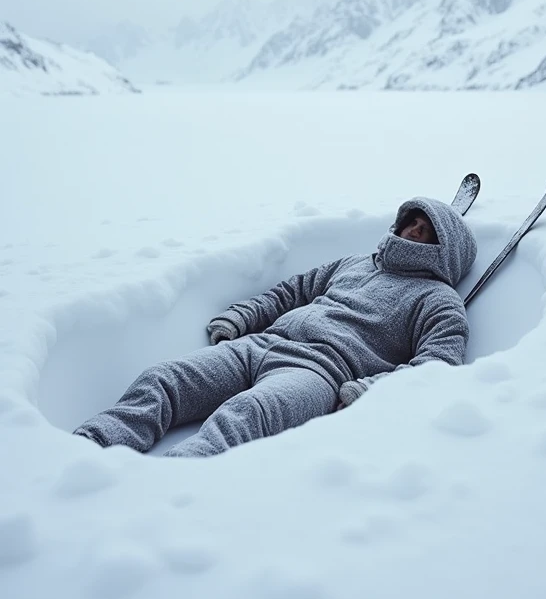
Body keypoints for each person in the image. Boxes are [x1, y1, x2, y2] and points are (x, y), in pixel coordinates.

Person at [74, 196, 477, 458]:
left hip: (317, 373)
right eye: (411, 222)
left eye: (426, 231)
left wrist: (367, 390)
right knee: (164, 379)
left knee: (246, 414)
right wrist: (243, 315)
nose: (413, 230)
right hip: (259, 345)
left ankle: (172, 481)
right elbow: (290, 293)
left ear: (446, 252)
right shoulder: (354, 263)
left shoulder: (439, 300)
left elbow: (436, 366)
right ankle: (88, 448)